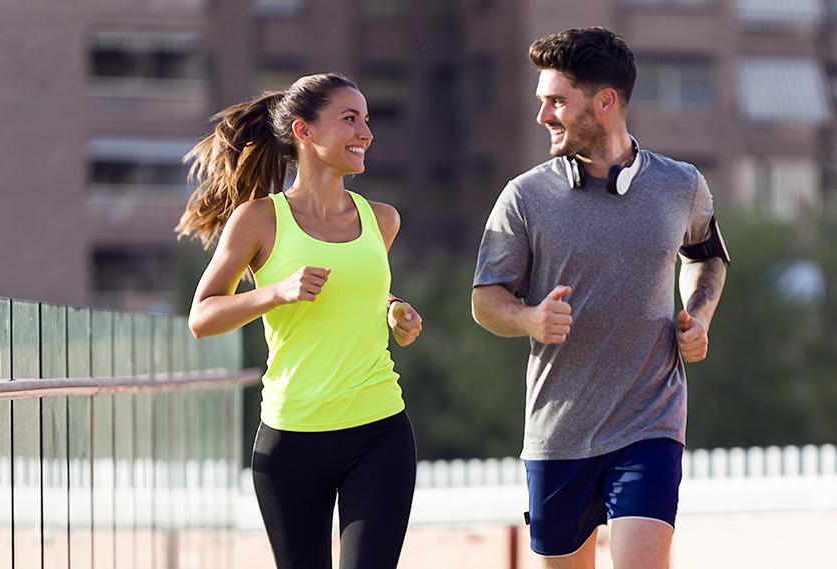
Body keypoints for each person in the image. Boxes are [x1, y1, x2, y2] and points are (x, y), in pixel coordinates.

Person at [470, 27, 729, 569]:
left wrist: (697, 315)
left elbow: (705, 256)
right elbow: (485, 301)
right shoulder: (525, 196)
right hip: (557, 433)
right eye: (542, 101)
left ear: (605, 102)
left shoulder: (681, 185)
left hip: (650, 424)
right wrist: (530, 319)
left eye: (557, 101)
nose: (544, 115)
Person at [177, 73, 422, 569]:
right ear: (304, 131)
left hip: (380, 432)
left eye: (367, 120)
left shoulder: (382, 219)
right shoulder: (259, 220)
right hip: (291, 440)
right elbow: (201, 317)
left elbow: (356, 290)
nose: (366, 133)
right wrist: (274, 293)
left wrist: (394, 307)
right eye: (349, 119)